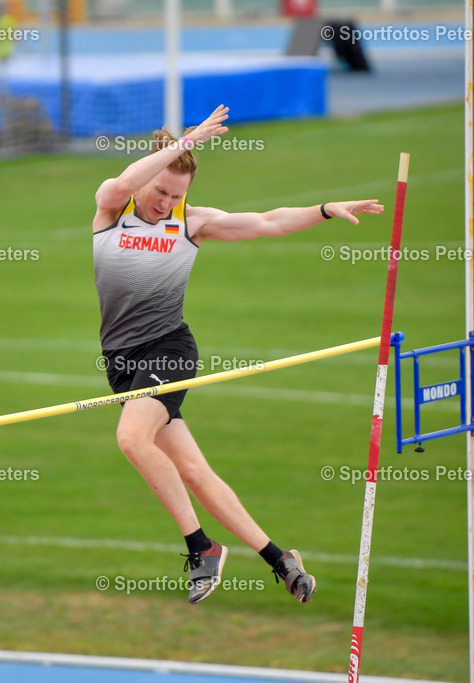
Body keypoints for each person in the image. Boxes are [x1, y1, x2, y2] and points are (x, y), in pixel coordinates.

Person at [92, 104, 384, 605]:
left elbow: (268, 222)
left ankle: (201, 547)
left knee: (131, 438)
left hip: (168, 349)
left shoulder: (192, 224)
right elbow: (122, 182)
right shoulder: (110, 209)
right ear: (144, 180)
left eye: (177, 195)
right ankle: (280, 559)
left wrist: (323, 210)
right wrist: (183, 144)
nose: (166, 203)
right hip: (121, 363)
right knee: (193, 471)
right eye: (160, 191)